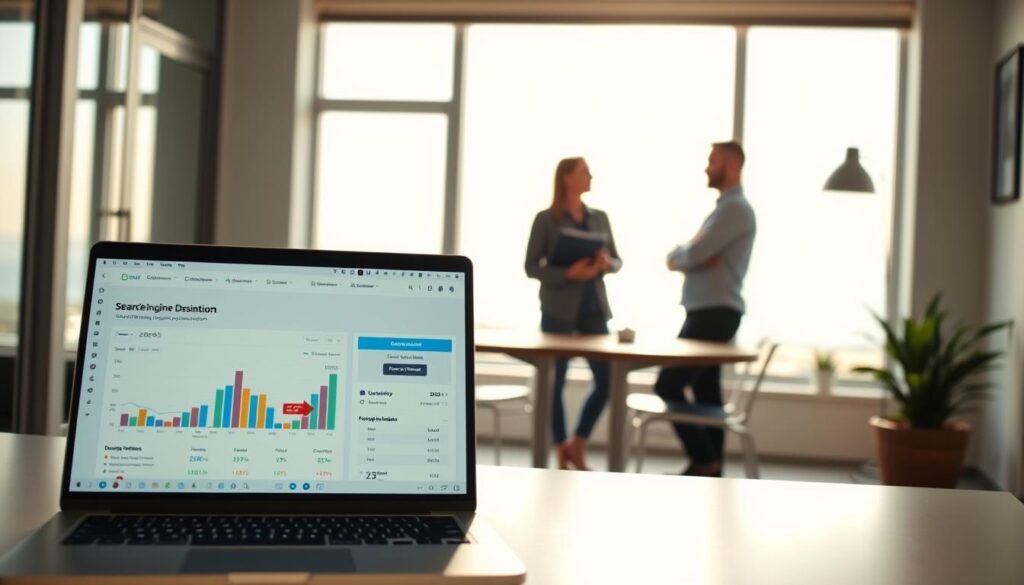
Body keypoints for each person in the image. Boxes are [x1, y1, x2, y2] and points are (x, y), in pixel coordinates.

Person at [657, 141, 756, 477]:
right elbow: (693, 252)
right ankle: (712, 470)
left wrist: (687, 255)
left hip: (714, 313)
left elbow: (694, 254)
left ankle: (705, 460)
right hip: (708, 311)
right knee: (705, 391)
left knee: (667, 384)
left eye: (711, 161)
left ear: (730, 164)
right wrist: (688, 253)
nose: (706, 166)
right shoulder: (723, 209)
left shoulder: (735, 210)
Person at [524, 157, 622, 471]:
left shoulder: (600, 218)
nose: (591, 175)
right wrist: (569, 273)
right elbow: (531, 267)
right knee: (554, 382)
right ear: (567, 177)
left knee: (608, 380)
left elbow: (618, 261)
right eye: (584, 171)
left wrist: (606, 265)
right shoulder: (545, 219)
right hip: (558, 310)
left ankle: (577, 443)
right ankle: (560, 446)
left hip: (594, 309)